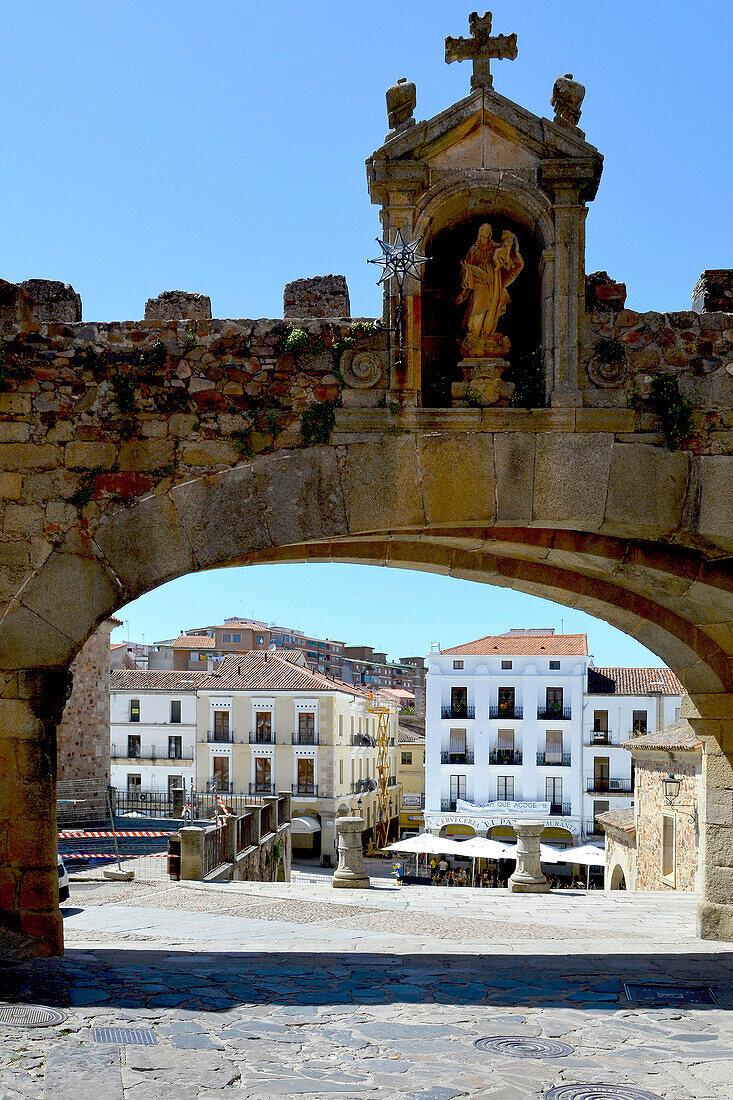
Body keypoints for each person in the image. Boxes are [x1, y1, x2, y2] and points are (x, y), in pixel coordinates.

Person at [456, 223, 524, 358]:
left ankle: (486, 332)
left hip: (493, 280)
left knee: (492, 305)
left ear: (490, 233)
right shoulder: (473, 250)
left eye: (488, 229)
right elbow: (467, 266)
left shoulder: (495, 247)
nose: (485, 230)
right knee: (478, 304)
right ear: (479, 232)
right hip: (478, 280)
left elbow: (506, 253)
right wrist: (467, 269)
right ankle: (474, 332)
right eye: (482, 229)